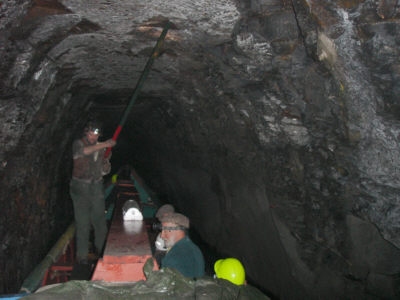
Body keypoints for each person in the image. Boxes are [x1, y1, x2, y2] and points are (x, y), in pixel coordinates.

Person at [69, 121, 116, 264]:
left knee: (100, 222)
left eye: (96, 135)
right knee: (83, 222)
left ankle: (102, 252)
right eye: (91, 134)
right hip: (80, 187)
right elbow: (83, 152)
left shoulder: (102, 149)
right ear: (86, 133)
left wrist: (106, 165)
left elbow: (104, 169)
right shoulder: (78, 144)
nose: (93, 138)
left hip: (96, 186)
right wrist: (105, 145)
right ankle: (82, 256)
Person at [159, 212, 205, 278]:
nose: (162, 236)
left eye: (165, 231)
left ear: (178, 231)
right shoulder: (193, 247)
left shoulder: (175, 256)